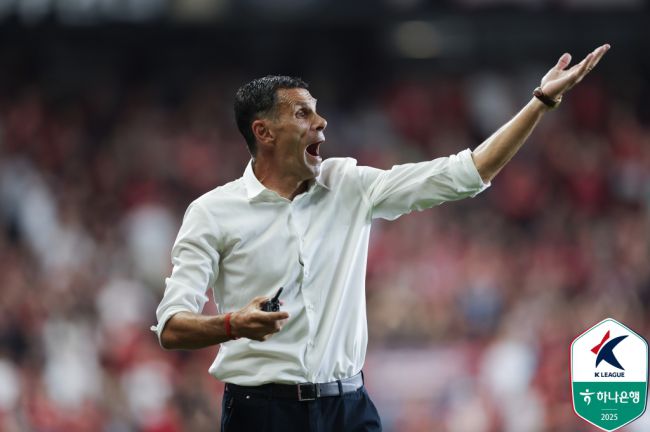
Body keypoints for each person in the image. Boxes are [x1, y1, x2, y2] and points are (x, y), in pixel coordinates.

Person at [152, 43, 610, 431]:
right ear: (264, 132)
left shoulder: (348, 185)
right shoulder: (212, 213)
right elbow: (172, 327)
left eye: (318, 110)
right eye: (303, 113)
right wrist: (233, 324)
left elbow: (466, 173)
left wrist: (540, 102)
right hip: (262, 413)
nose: (321, 122)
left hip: (349, 408)